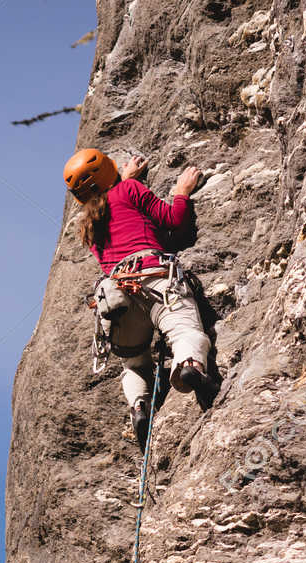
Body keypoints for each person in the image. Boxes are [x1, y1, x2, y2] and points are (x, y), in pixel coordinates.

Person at [64, 147, 216, 448]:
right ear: (111, 171)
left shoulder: (88, 225)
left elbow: (112, 208)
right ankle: (189, 366)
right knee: (184, 329)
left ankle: (139, 406)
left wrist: (125, 179)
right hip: (155, 277)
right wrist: (182, 192)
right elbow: (174, 222)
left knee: (134, 363)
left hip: (119, 296)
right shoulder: (130, 190)